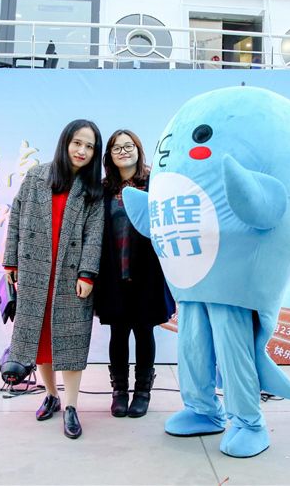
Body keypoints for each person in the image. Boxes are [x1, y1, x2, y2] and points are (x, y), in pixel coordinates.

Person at [2, 119, 104, 439]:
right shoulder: (37, 176)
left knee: (71, 340)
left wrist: (87, 273)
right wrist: (10, 261)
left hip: (71, 276)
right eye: (78, 143)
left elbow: (94, 236)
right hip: (35, 272)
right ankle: (51, 395)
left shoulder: (92, 189)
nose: (82, 151)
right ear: (65, 143)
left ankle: (71, 406)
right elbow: (15, 218)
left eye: (89, 146)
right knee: (40, 339)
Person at [95, 129, 173, 418]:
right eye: (117, 148)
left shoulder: (155, 183)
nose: (124, 151)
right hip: (113, 272)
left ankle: (142, 392)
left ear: (139, 150)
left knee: (143, 331)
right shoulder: (103, 189)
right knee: (118, 332)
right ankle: (119, 392)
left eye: (129, 146)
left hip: (147, 272)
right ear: (110, 156)